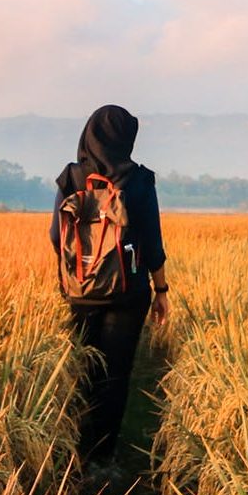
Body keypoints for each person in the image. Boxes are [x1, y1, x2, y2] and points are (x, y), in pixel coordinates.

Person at [50, 104, 169, 468]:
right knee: (115, 375)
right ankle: (102, 458)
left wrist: (77, 270)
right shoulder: (138, 180)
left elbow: (57, 236)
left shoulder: (71, 177)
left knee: (84, 367)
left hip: (80, 291)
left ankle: (74, 451)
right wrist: (161, 291)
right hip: (126, 293)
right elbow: (151, 241)